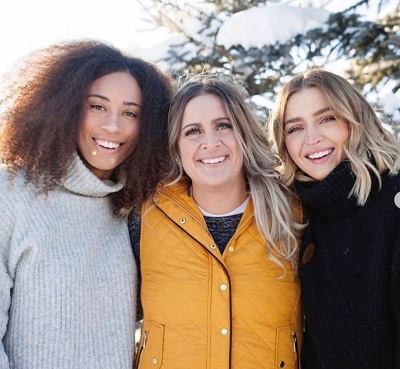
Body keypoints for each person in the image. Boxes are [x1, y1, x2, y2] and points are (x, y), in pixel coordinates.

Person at [0, 39, 172, 369]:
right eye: (97, 106)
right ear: (64, 106)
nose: (113, 126)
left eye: (130, 113)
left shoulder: (134, 208)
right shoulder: (11, 193)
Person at [129, 73, 303, 369]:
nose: (211, 143)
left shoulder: (293, 215)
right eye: (193, 131)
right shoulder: (145, 218)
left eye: (223, 126)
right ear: (176, 147)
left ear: (243, 134)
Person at [268, 67, 400, 369]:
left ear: (355, 120)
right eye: (295, 128)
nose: (312, 138)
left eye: (327, 119)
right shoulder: (301, 214)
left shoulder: (393, 204)